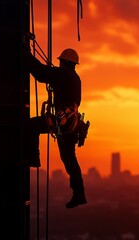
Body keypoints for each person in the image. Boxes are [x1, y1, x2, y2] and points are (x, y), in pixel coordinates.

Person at [24, 48, 87, 208]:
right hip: (71, 124)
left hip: (63, 121)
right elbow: (49, 75)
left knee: (31, 126)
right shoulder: (75, 78)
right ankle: (79, 193)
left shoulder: (62, 74)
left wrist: (26, 55)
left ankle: (33, 157)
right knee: (69, 160)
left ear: (63, 62)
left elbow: (40, 73)